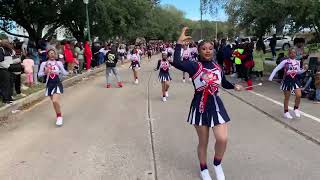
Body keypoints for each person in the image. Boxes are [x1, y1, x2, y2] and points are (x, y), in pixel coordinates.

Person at [172, 27, 242, 180]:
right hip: (199, 105)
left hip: (216, 104)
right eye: (204, 48)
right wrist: (179, 43)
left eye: (210, 48)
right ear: (199, 51)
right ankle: (203, 168)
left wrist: (234, 86)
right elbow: (176, 62)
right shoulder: (194, 66)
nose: (208, 51)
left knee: (222, 139)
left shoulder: (218, 67)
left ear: (214, 50)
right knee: (203, 141)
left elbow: (223, 82)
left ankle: (217, 164)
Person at [269, 48, 305, 119]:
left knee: (299, 95)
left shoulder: (298, 62)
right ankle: (286, 112)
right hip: (287, 81)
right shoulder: (285, 62)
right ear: (289, 54)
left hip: (295, 80)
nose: (293, 54)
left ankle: (296, 108)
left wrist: (304, 69)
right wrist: (271, 77)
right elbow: (276, 68)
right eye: (291, 53)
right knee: (287, 97)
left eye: (294, 53)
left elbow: (298, 72)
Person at [38, 49, 68, 126]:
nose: (52, 55)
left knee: (55, 101)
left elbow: (65, 72)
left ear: (55, 55)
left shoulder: (59, 63)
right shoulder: (44, 63)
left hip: (57, 82)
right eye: (50, 53)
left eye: (53, 53)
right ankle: (58, 115)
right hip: (49, 84)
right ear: (48, 55)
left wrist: (59, 72)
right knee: (54, 103)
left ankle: (59, 117)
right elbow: (39, 74)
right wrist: (45, 72)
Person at [0, 40, 14, 104]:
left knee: (10, 83)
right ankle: (5, 99)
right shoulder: (1, 49)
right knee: (5, 84)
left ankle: (9, 97)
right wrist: (8, 66)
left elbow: (13, 55)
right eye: (7, 43)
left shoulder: (9, 50)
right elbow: (1, 61)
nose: (9, 44)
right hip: (3, 69)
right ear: (3, 43)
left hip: (9, 69)